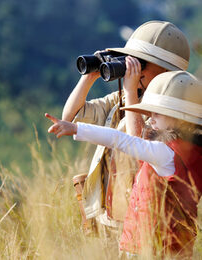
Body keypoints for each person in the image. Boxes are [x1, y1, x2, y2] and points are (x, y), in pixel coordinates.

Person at [46, 71, 202, 258]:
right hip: (176, 247)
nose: (150, 119)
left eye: (157, 114)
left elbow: (121, 140)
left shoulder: (165, 153)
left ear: (180, 119)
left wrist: (76, 128)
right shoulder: (192, 153)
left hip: (147, 246)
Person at [62, 20, 191, 236]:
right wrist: (90, 75)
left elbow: (139, 145)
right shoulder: (121, 99)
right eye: (131, 60)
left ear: (167, 72)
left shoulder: (170, 116)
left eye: (142, 63)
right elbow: (71, 117)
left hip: (138, 222)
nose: (134, 68)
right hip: (107, 216)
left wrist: (131, 92)